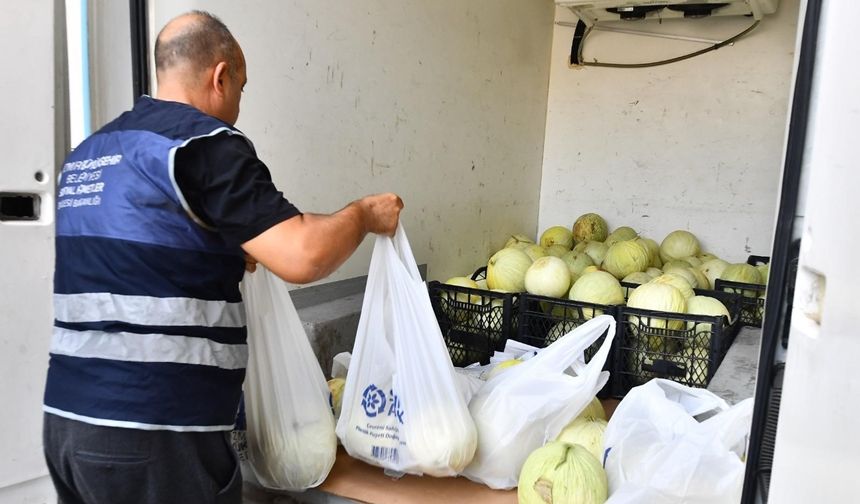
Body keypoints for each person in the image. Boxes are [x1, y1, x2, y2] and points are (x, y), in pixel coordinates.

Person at [42, 10, 403, 504]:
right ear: (220, 75)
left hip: (67, 424)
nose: (237, 102)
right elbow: (303, 255)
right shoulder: (203, 143)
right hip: (155, 433)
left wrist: (220, 249)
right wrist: (363, 214)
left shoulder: (90, 153)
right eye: (241, 86)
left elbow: (135, 254)